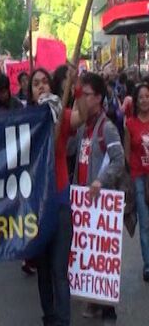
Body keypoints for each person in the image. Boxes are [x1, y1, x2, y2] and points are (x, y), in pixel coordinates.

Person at [28, 68, 83, 326]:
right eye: (35, 83)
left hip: (59, 204)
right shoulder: (23, 120)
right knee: (43, 271)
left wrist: (77, 86)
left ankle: (62, 321)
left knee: (59, 271)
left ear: (51, 87)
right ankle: (49, 316)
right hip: (35, 208)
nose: (40, 86)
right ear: (30, 91)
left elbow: (83, 115)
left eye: (44, 82)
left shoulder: (60, 114)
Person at [74, 73, 125, 321]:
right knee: (88, 253)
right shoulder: (83, 126)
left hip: (100, 202)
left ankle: (107, 306)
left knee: (102, 255)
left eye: (86, 95)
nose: (82, 99)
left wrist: (100, 181)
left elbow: (119, 161)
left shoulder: (107, 128)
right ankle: (94, 300)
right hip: (84, 202)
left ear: (98, 98)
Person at [124, 83, 149, 282]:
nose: (144, 100)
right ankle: (148, 264)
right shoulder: (130, 124)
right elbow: (126, 151)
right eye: (141, 97)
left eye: (147, 96)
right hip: (138, 177)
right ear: (136, 99)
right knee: (145, 223)